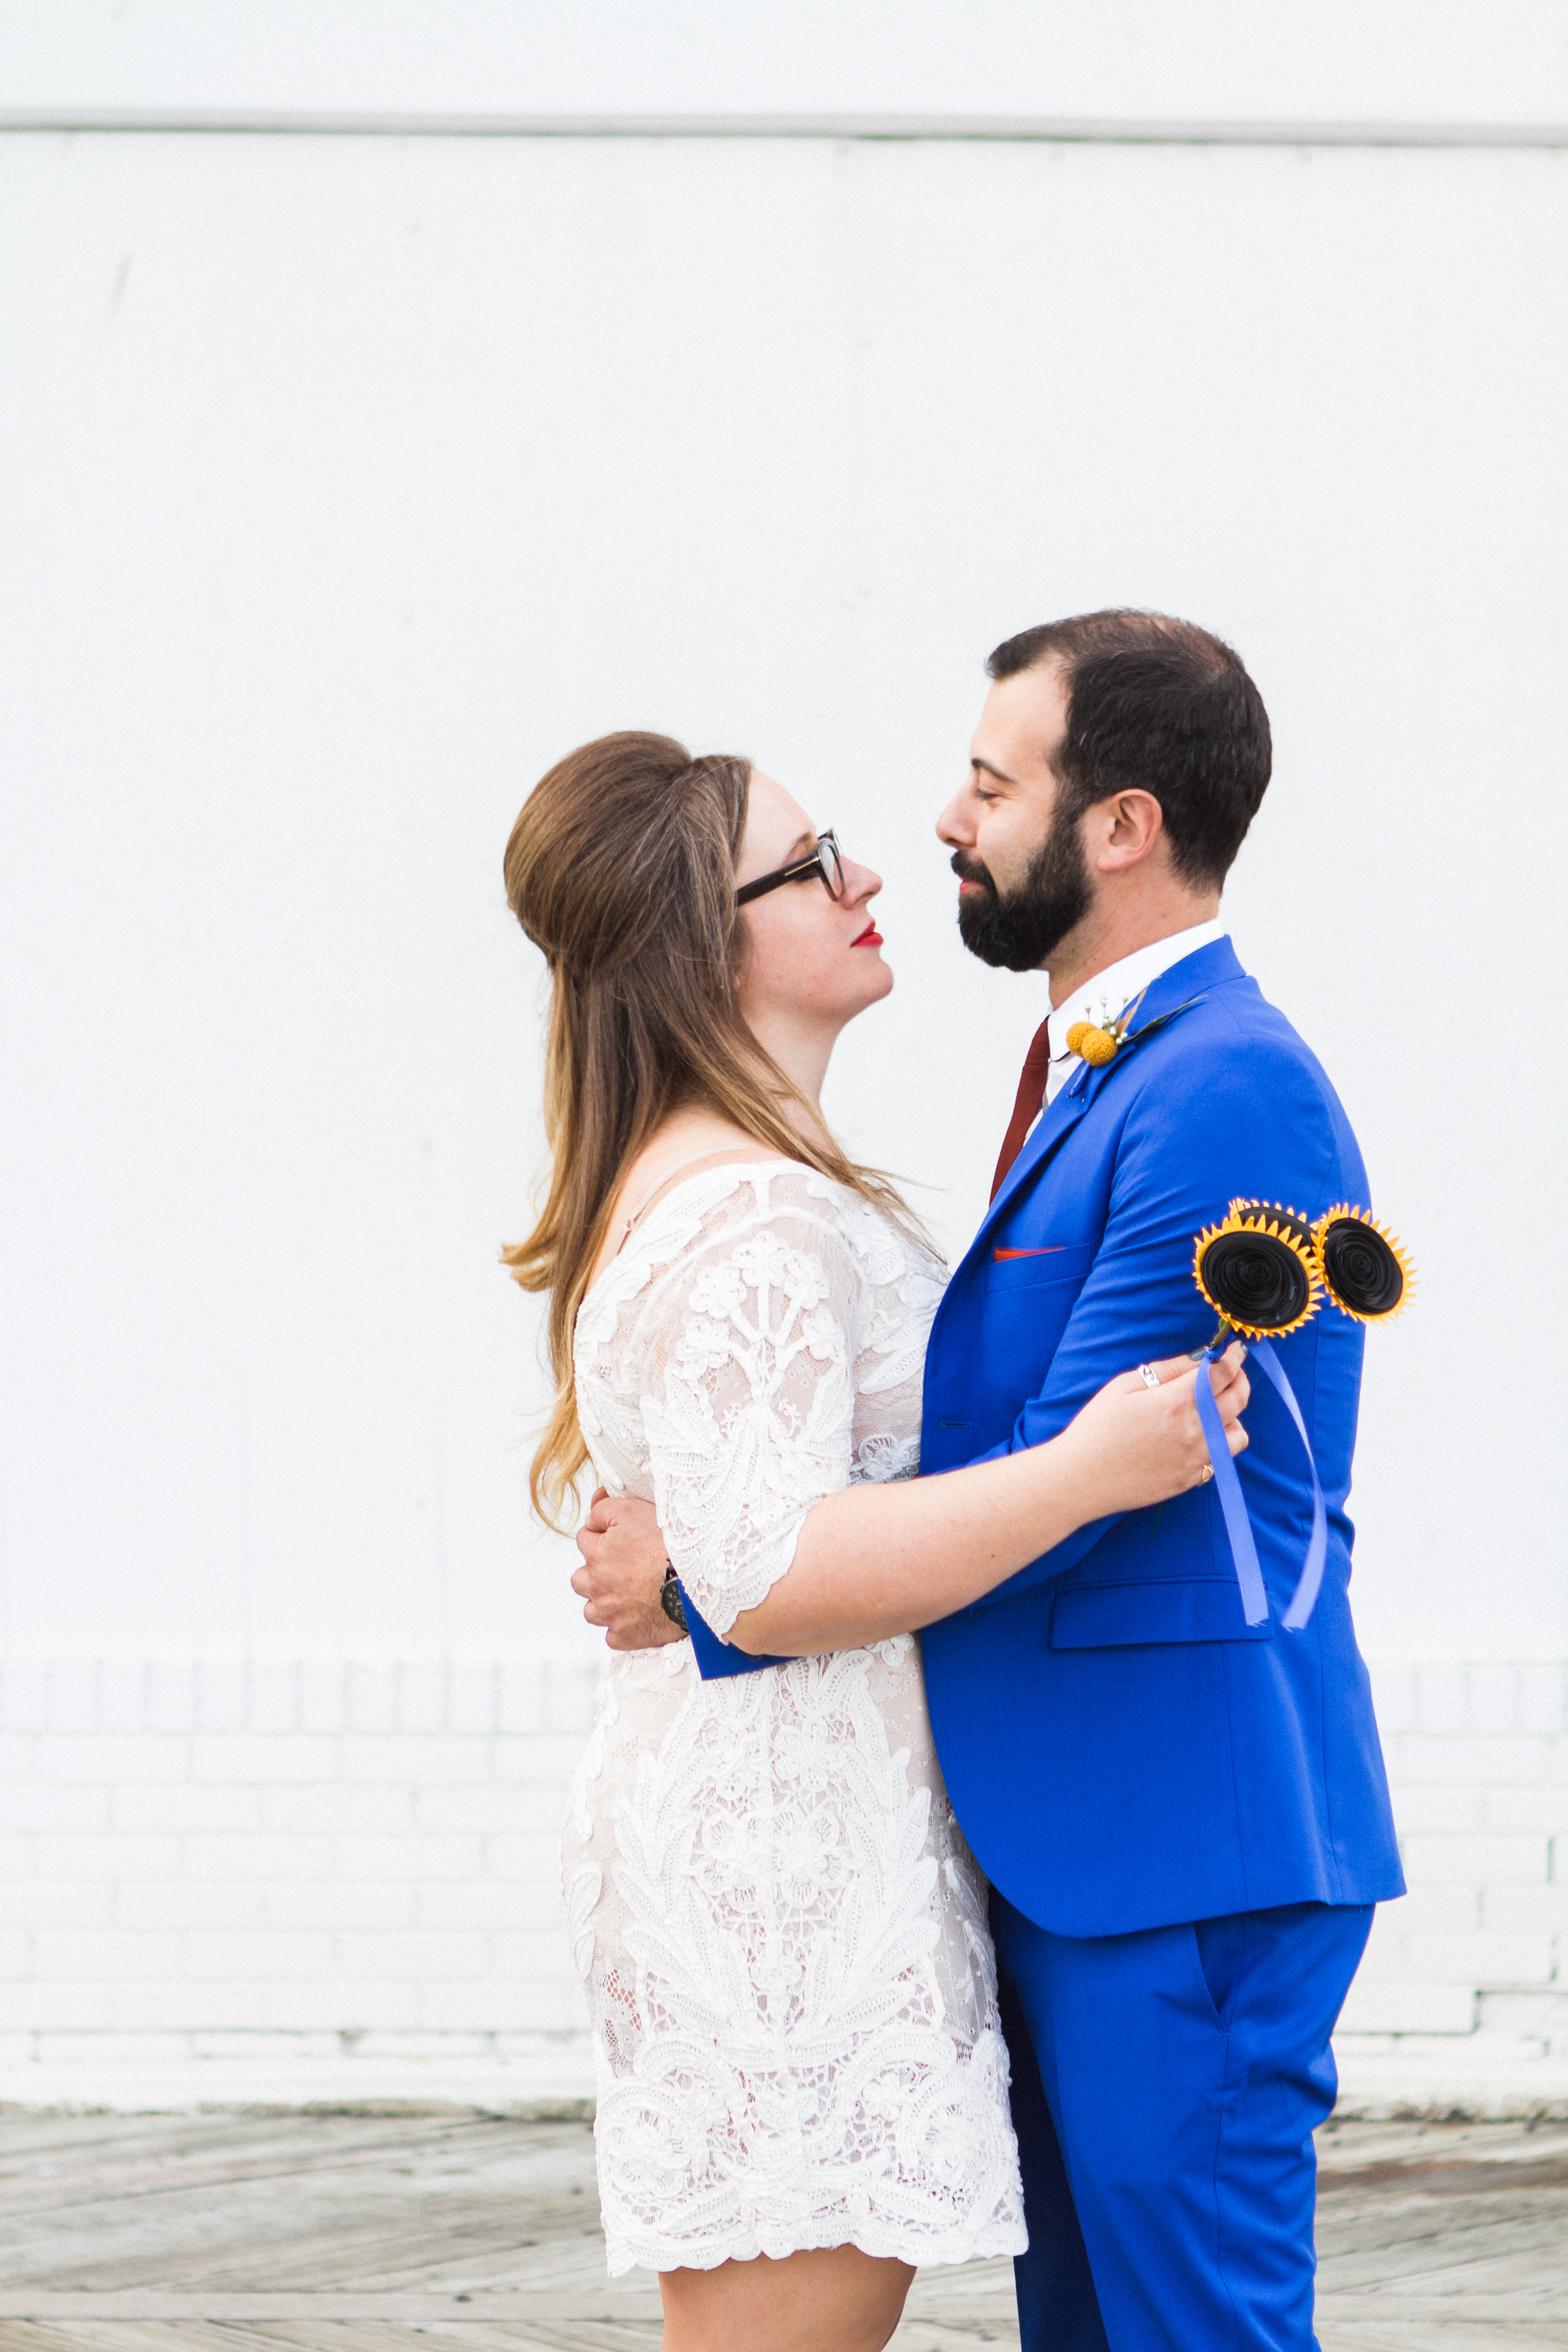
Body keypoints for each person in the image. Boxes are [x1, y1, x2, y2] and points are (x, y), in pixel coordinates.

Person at [573, 614, 1406, 2352]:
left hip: (1176, 1843)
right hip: (1077, 1851)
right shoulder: (1098, 1077)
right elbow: (1030, 1460)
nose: (943, 825)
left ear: (1114, 827)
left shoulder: (1218, 1087)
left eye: (984, 782)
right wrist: (736, 1545)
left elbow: (1092, 1476)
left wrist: (711, 1584)